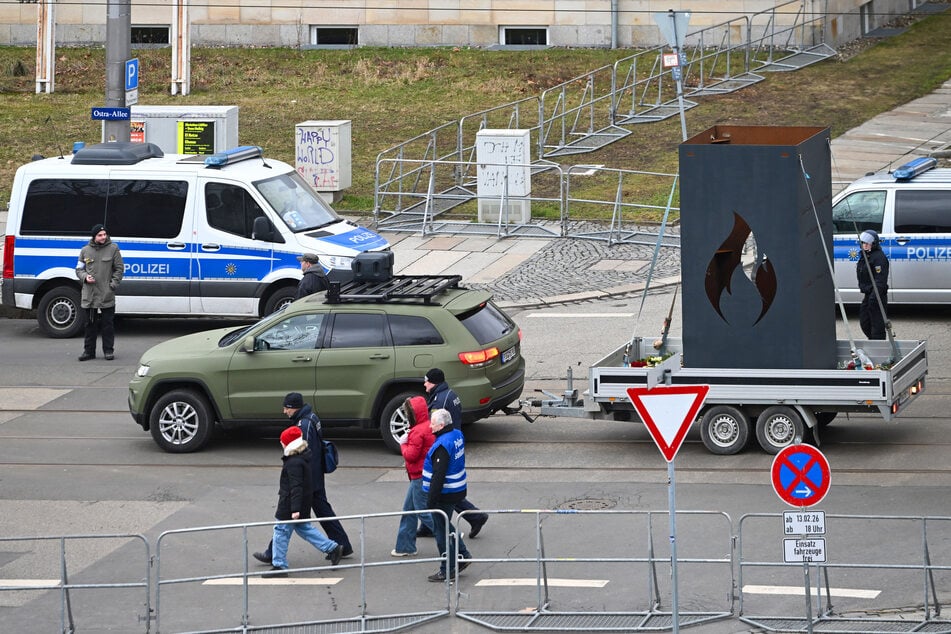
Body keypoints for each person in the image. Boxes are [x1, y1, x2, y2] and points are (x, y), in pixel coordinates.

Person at [254, 393, 353, 565]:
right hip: (314, 476)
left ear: (294, 407)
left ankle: (273, 553)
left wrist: (303, 481)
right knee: (321, 512)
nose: (284, 411)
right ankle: (341, 545)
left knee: (286, 518)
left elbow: (304, 452)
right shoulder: (311, 417)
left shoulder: (303, 425)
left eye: (287, 408)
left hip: (308, 480)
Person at [267, 425, 343, 577]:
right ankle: (332, 548)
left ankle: (280, 566)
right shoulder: (302, 457)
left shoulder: (293, 462)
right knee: (304, 528)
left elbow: (296, 487)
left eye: (283, 442)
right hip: (301, 503)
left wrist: (295, 509)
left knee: (281, 531)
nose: (281, 444)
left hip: (289, 504)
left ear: (289, 444)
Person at [423, 368, 488, 538]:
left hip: (446, 446)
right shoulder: (450, 394)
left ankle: (475, 517)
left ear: (434, 382)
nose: (425, 384)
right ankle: (428, 525)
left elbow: (436, 425)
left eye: (427, 381)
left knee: (444, 491)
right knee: (448, 490)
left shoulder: (439, 401)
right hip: (454, 440)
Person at [422, 408, 473, 582]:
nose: (430, 426)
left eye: (433, 424)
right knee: (445, 525)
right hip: (457, 490)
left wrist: (431, 500)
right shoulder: (457, 434)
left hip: (444, 494)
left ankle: (448, 568)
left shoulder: (442, 445)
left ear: (442, 425)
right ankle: (463, 554)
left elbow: (438, 475)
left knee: (441, 532)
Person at [391, 396, 437, 557]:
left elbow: (410, 456)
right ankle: (405, 546)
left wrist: (403, 444)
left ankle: (451, 536)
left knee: (421, 511)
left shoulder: (417, 431)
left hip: (418, 475)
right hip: (423, 474)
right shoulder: (427, 426)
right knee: (409, 510)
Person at [76, 224, 123, 361]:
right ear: (94, 237)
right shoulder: (85, 250)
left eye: (104, 234)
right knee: (89, 325)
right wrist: (85, 277)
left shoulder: (113, 248)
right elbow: (79, 269)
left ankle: (108, 350)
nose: (103, 237)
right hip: (90, 295)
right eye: (100, 235)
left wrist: (113, 285)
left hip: (106, 293)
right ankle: (88, 352)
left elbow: (119, 269)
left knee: (107, 324)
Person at [857, 229, 889, 340]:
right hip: (868, 295)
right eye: (863, 243)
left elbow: (880, 280)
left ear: (874, 243)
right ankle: (872, 341)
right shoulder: (865, 255)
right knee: (864, 322)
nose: (865, 245)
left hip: (877, 296)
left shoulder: (879, 258)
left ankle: (879, 345)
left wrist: (874, 297)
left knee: (877, 327)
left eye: (867, 243)